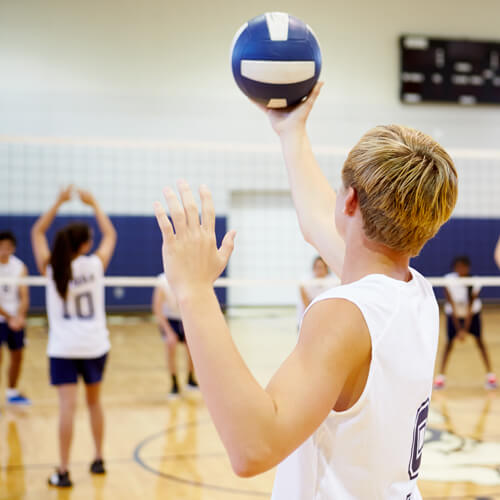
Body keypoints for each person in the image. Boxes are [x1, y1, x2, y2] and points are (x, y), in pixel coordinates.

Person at [153, 82, 458, 499]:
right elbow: (318, 221)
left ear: (349, 201)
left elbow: (253, 448)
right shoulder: (415, 293)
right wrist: (291, 131)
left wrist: (194, 291)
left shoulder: (344, 314)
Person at [31, 186, 116, 488]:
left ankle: (64, 471)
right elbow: (111, 235)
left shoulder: (52, 267)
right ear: (84, 244)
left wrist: (58, 202)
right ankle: (98, 458)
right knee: (94, 403)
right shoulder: (94, 266)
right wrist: (94, 203)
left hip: (64, 348)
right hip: (94, 345)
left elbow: (37, 232)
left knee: (67, 408)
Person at [434, 257, 496, 390]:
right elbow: (450, 303)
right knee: (448, 345)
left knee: (480, 343)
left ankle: (491, 376)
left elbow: (470, 307)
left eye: (463, 267)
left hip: (472, 316)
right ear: (455, 268)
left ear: (468, 268)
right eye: (458, 267)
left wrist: (464, 329)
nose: (461, 270)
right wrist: (458, 329)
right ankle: (440, 378)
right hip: (454, 316)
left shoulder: (474, 281)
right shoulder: (449, 280)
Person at [152, 272, 198, 398]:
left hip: (185, 318)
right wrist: (168, 332)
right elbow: (157, 308)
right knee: (170, 344)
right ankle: (174, 383)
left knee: (192, 347)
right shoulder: (163, 281)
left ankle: (190, 378)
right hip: (169, 319)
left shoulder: (190, 278)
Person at [0, 231, 31, 406]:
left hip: (15, 318)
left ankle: (12, 393)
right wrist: (10, 317)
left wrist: (20, 316)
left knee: (17, 356)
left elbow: (24, 296)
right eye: (1, 247)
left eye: (8, 247)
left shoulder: (20, 267)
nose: (4, 251)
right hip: (2, 318)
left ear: (13, 248)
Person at [297, 256, 332, 323]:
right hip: (308, 318)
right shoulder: (306, 281)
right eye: (316, 267)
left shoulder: (332, 283)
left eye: (320, 267)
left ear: (326, 268)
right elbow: (306, 302)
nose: (318, 270)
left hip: (325, 319)